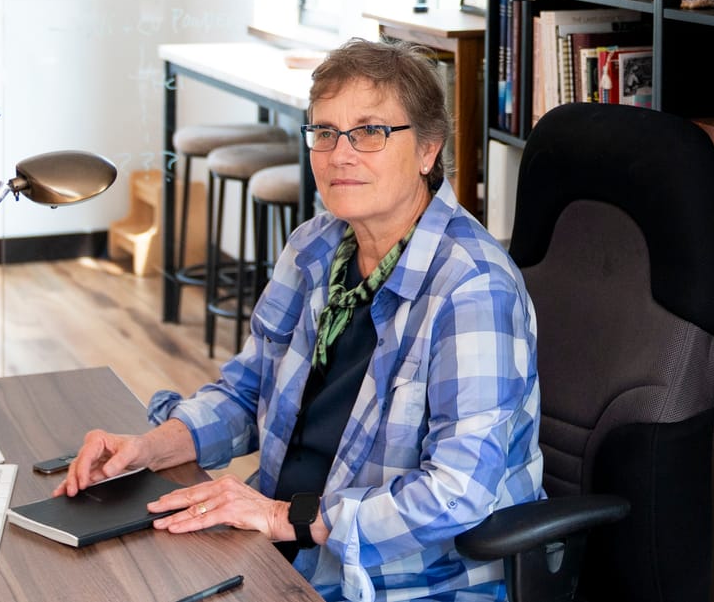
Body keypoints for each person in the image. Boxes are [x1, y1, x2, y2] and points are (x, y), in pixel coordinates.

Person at [57, 39, 542, 601]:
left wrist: (291, 517)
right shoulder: (313, 247)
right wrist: (150, 448)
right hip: (282, 544)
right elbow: (246, 393)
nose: (341, 154)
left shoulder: (472, 287)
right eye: (326, 132)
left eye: (370, 132)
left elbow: (457, 492)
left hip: (404, 581)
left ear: (428, 150)